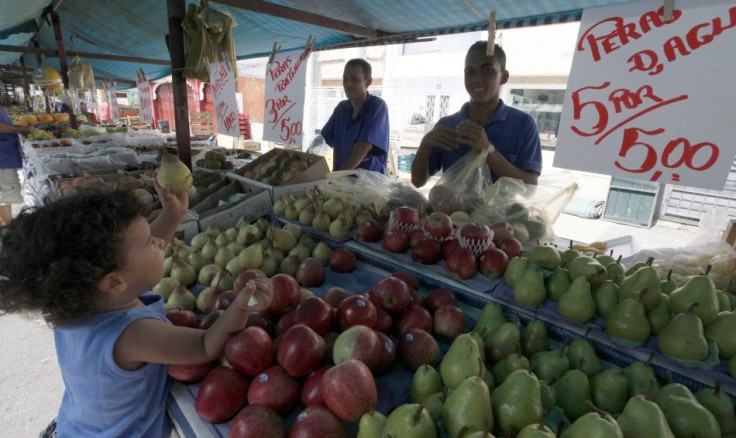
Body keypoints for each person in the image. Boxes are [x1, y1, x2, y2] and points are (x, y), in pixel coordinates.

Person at [0, 186, 269, 437]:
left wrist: (172, 215)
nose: (161, 244)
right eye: (150, 242)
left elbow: (131, 262)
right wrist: (242, 305)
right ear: (114, 282)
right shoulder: (133, 335)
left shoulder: (81, 304)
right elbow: (204, 344)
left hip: (76, 427)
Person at [411, 41, 542, 188]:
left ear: (503, 77)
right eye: (470, 72)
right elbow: (418, 182)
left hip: (502, 212)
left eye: (487, 70)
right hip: (450, 211)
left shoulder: (523, 125)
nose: (476, 78)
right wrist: (425, 144)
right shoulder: (447, 125)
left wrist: (487, 151)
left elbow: (530, 186)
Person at [321, 58, 390, 173]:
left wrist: (338, 175)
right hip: (341, 184)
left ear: (367, 82)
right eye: (345, 79)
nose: (348, 84)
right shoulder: (341, 109)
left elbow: (364, 146)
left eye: (354, 79)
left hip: (368, 186)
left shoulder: (377, 107)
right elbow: (323, 139)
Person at [0, 105, 31, 226]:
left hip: (4, 156)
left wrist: (19, 128)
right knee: (3, 198)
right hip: (2, 159)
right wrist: (19, 129)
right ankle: (7, 231)